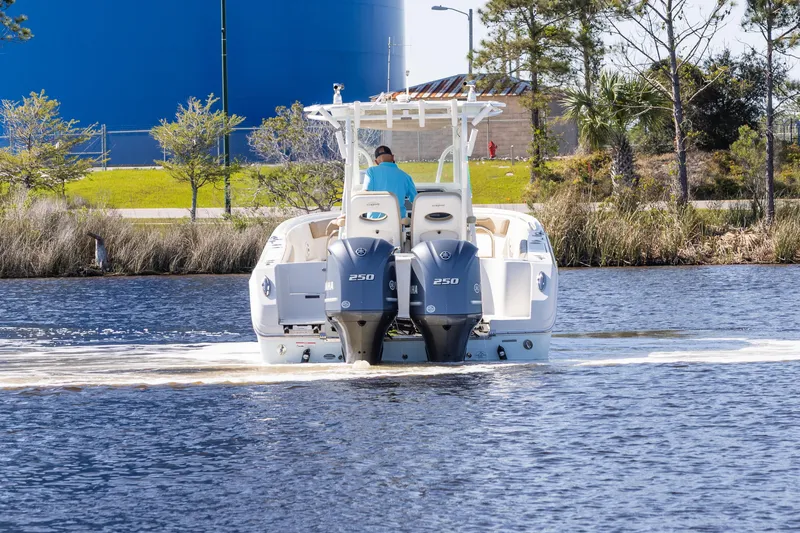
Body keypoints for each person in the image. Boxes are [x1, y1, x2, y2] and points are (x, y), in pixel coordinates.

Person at [362, 145, 417, 218]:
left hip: (374, 223)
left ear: (376, 162)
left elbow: (365, 194)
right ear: (393, 157)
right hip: (397, 224)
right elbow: (416, 201)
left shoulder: (371, 172)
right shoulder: (405, 176)